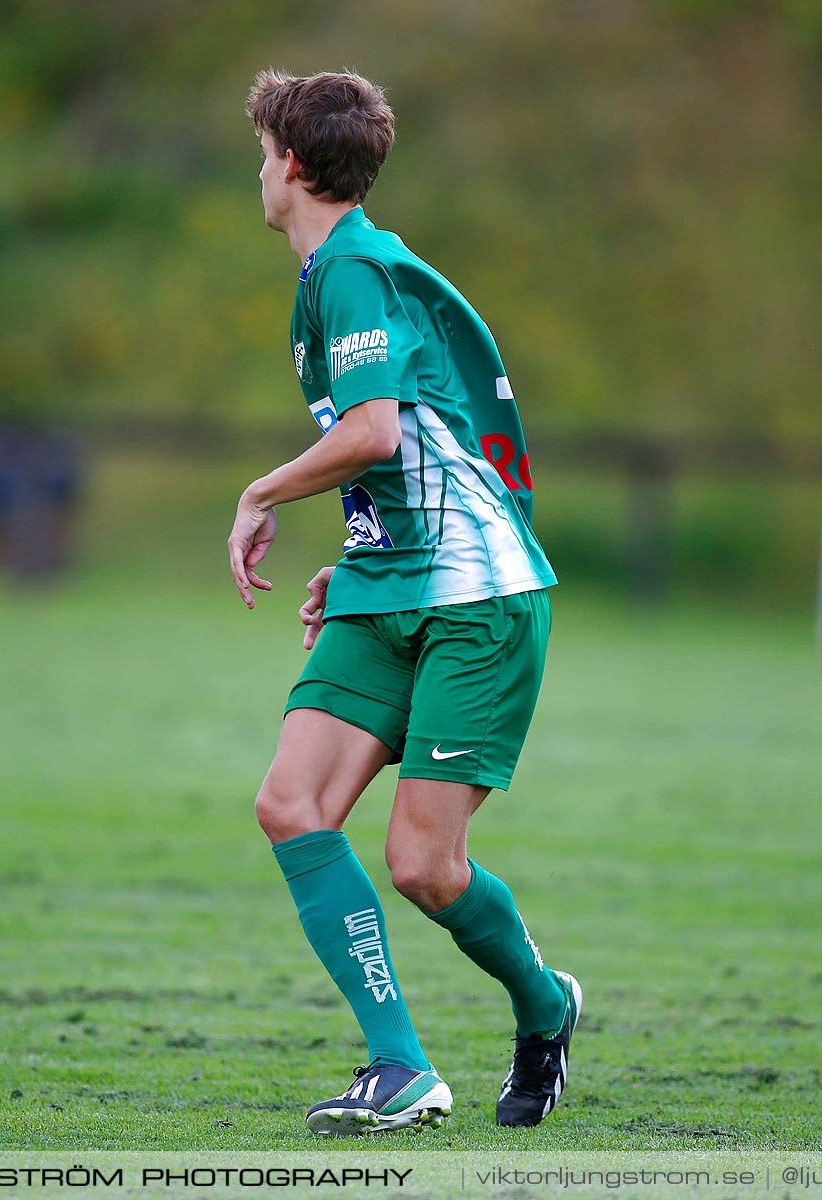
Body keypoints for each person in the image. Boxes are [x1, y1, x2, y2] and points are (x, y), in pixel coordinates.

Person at [226, 70, 577, 1135]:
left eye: (260, 152)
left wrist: (261, 491)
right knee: (291, 805)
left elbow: (376, 429)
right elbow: (417, 447)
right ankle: (400, 1067)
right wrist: (369, 544)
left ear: (292, 165)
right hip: (395, 579)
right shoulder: (338, 274)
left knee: (424, 866)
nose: (257, 170)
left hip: (477, 596)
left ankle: (546, 1004)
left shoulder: (354, 272)